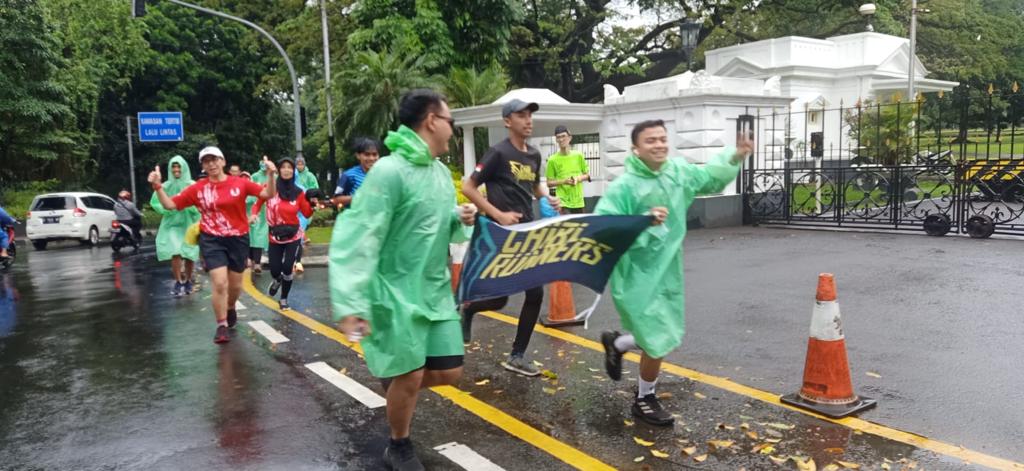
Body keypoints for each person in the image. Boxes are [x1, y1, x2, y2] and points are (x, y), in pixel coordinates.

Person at [331, 89, 476, 471]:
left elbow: (437, 226)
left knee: (449, 371)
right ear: (431, 120)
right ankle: (399, 444)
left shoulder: (442, 173)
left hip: (433, 290)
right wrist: (351, 302)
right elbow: (358, 234)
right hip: (393, 290)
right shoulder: (388, 171)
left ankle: (398, 386)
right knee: (411, 371)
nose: (452, 129)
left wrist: (457, 219)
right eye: (450, 121)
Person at [596, 120, 752, 426]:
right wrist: (642, 220)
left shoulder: (678, 173)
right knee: (658, 336)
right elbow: (605, 226)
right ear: (636, 149)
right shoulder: (624, 186)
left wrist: (735, 156)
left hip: (667, 268)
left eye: (663, 139)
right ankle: (644, 398)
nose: (659, 145)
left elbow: (708, 178)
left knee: (660, 331)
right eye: (651, 140)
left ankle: (618, 344)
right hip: (636, 272)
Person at [460, 98, 560, 377]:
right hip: (499, 233)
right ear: (507, 121)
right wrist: (498, 214)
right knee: (500, 299)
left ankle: (517, 355)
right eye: (521, 115)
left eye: (530, 115)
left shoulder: (534, 154)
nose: (528, 120)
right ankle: (469, 309)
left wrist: (548, 199)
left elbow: (534, 185)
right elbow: (468, 186)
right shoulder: (497, 153)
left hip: (526, 231)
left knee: (535, 292)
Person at [148, 147, 277, 344]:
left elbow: (268, 193)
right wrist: (158, 187)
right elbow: (170, 205)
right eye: (206, 161)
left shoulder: (240, 183)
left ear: (223, 161)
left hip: (238, 239)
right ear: (203, 166)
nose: (211, 164)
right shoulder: (198, 189)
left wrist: (271, 174)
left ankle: (231, 306)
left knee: (235, 285)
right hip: (211, 239)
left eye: (214, 159)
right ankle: (221, 325)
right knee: (219, 282)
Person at [253, 158, 315, 310]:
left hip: (293, 235)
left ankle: (284, 298)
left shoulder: (299, 192)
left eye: (290, 167)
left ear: (293, 171)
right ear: (279, 170)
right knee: (275, 270)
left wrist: (312, 203)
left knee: (288, 267)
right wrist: (254, 214)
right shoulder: (270, 188)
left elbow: (306, 214)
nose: (286, 170)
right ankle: (277, 280)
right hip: (274, 235)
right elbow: (258, 203)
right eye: (283, 167)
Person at [151, 155, 201, 296]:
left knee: (190, 254)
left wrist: (189, 207)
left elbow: (199, 203)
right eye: (173, 166)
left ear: (184, 168)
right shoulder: (165, 186)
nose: (176, 169)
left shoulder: (192, 185)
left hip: (189, 223)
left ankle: (188, 280)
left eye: (178, 166)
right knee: (176, 251)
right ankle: (178, 281)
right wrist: (169, 210)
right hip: (172, 224)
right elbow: (155, 202)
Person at [545, 125, 591, 214]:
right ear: (556, 140)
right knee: (566, 226)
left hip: (578, 201)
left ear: (569, 138)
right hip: (562, 203)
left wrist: (577, 179)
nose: (561, 139)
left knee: (580, 226)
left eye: (563, 136)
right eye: (558, 137)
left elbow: (587, 175)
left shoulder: (578, 155)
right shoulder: (552, 160)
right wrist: (564, 181)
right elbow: (549, 183)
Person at [331, 137, 381, 208]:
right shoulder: (348, 175)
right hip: (355, 218)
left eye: (374, 154)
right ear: (358, 155)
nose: (371, 158)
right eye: (367, 154)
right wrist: (358, 197)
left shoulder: (384, 175)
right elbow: (335, 200)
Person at [292, 157, 319, 274]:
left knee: (298, 237)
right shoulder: (283, 188)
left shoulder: (304, 186)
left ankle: (297, 261)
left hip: (301, 215)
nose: (299, 166)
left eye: (301, 164)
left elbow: (314, 190)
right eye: (297, 164)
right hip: (288, 217)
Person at [246, 166, 270, 275]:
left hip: (265, 211)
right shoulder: (255, 176)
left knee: (259, 237)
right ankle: (251, 259)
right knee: (252, 236)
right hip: (252, 208)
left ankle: (257, 262)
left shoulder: (273, 176)